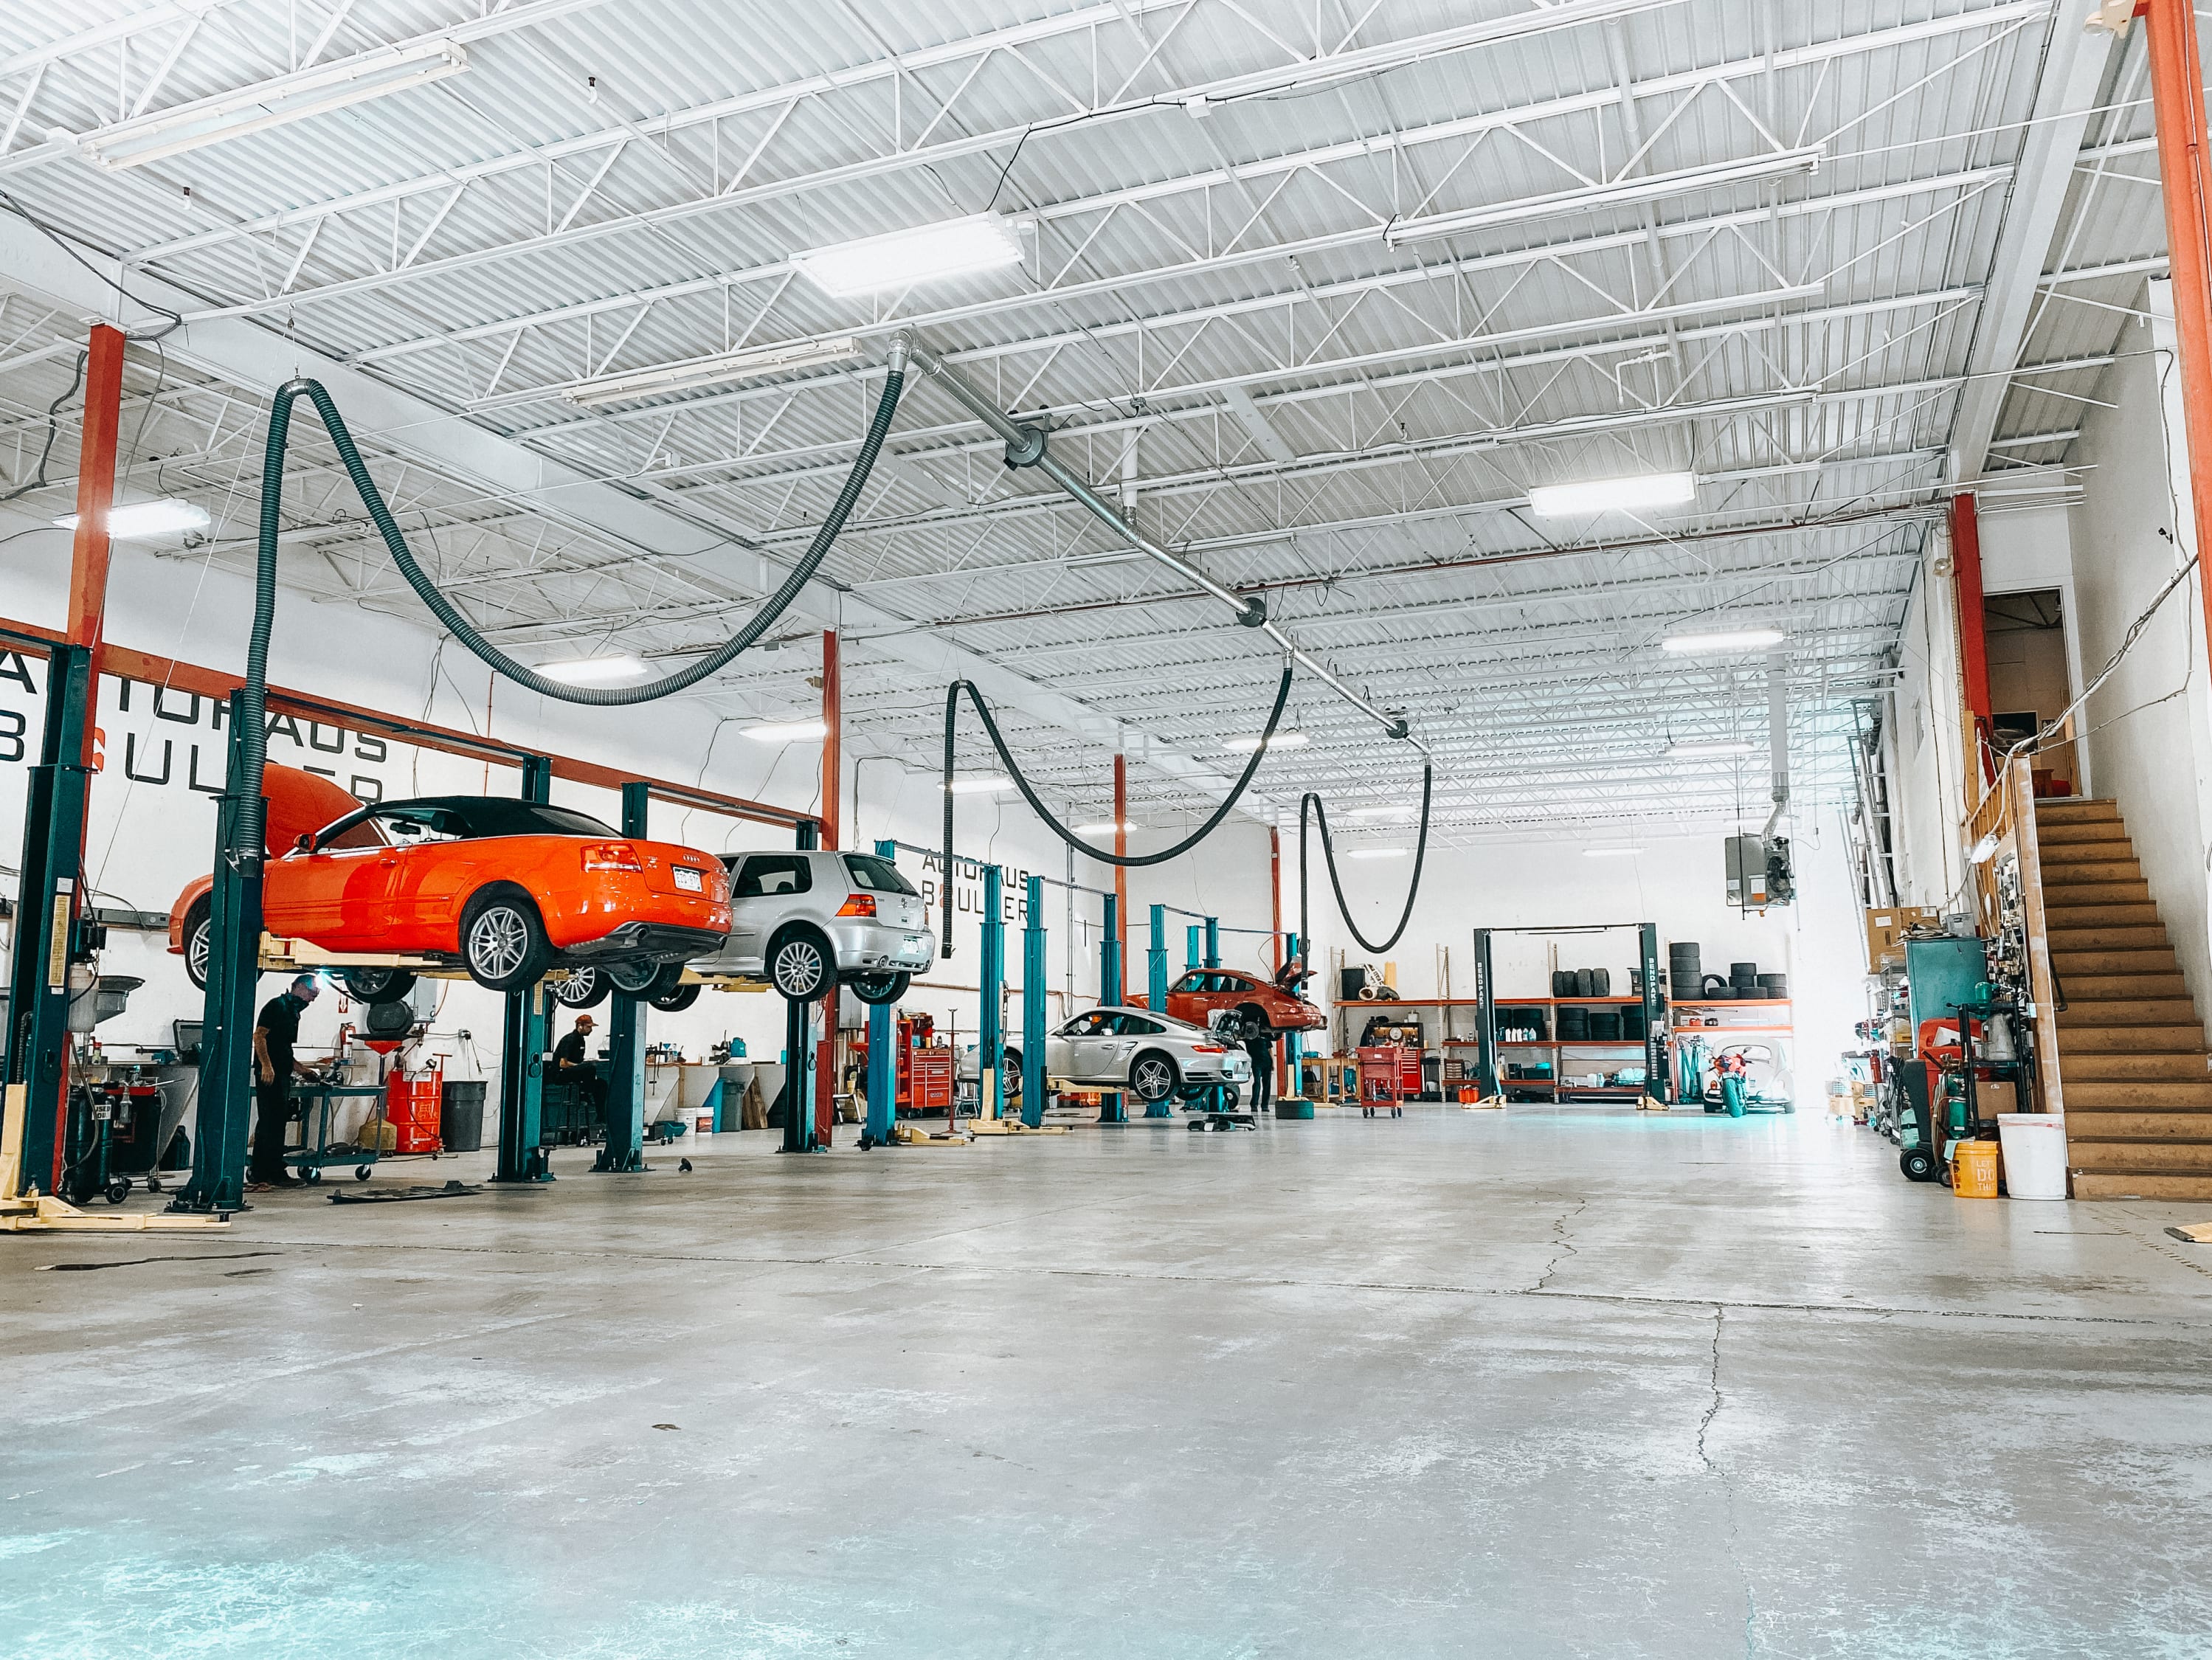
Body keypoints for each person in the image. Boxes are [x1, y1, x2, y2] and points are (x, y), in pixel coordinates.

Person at [250, 973, 320, 1189]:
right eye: (310, 993)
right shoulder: (276, 1006)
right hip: (269, 1074)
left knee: (277, 1122)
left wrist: (302, 1070)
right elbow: (260, 1036)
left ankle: (272, 1171)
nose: (311, 999)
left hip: (281, 1073)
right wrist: (266, 1066)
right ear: (298, 986)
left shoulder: (293, 1012)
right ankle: (264, 1172)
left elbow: (283, 1049)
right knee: (269, 1123)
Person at [552, 1013, 606, 1113]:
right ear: (580, 1026)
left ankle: (601, 1116)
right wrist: (581, 1066)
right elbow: (562, 1064)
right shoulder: (569, 1040)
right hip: (561, 1074)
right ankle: (583, 1094)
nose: (591, 1030)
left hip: (575, 1073)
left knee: (602, 1084)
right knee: (591, 1068)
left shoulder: (581, 1041)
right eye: (588, 1027)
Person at [1244, 1026, 1274, 1114]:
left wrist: (1273, 1063)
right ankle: (1254, 1105)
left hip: (1267, 1062)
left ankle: (1265, 1106)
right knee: (1257, 1083)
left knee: (1267, 1085)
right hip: (1256, 1063)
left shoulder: (1265, 1036)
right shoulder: (1249, 1037)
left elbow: (1270, 1050)